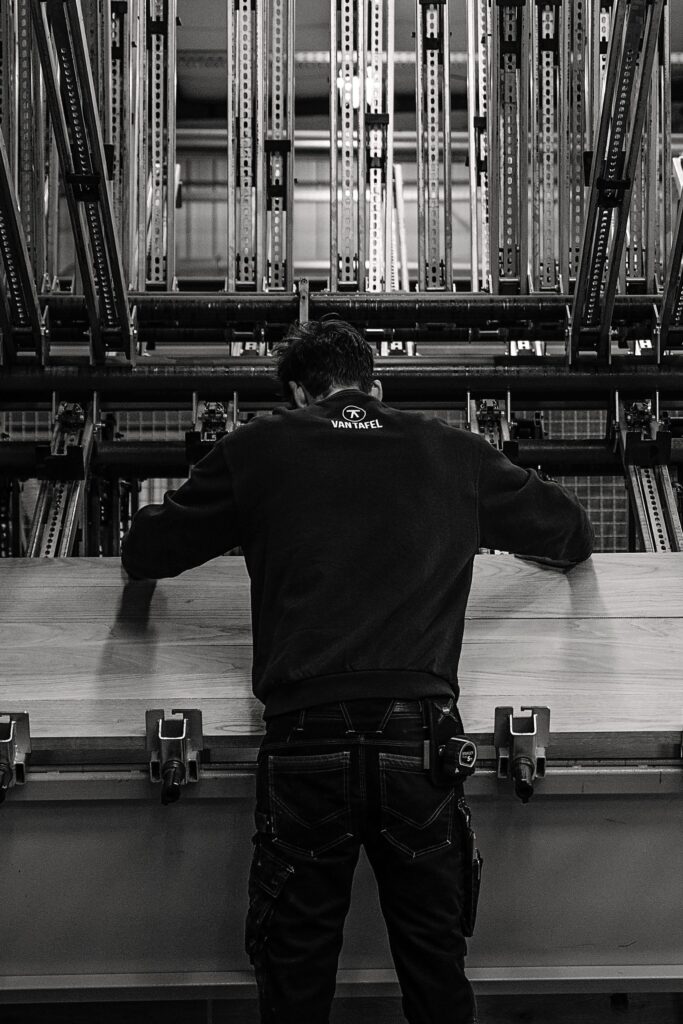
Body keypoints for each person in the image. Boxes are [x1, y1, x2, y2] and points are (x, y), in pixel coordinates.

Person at [121, 319, 594, 1024]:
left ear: (296, 393)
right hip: (422, 743)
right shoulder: (451, 452)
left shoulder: (258, 449)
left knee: (296, 973)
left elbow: (148, 550)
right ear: (375, 385)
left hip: (305, 741)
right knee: (434, 967)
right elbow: (570, 533)